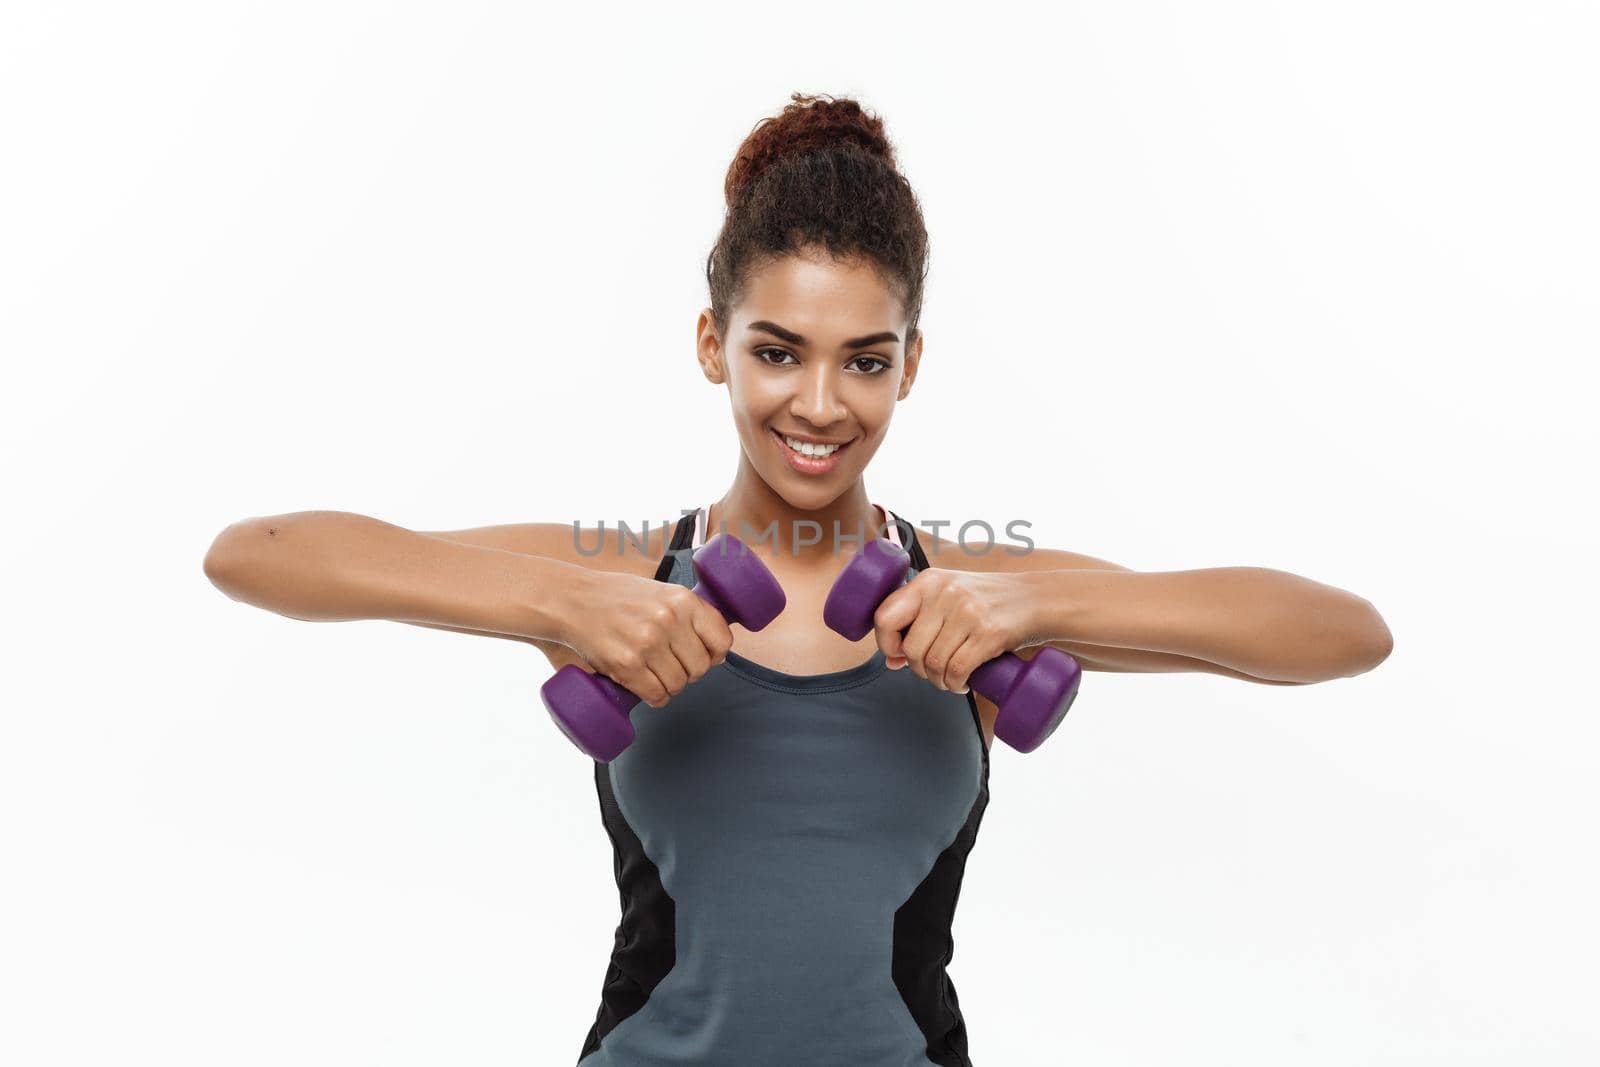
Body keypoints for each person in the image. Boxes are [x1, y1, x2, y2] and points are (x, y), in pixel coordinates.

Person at [204, 91, 1394, 1066]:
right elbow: (255, 554)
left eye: (863, 360)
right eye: (777, 351)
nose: (819, 405)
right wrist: (559, 604)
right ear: (714, 342)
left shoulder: (970, 604)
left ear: (910, 365)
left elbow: (1343, 632)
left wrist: (1038, 602)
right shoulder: (622, 572)